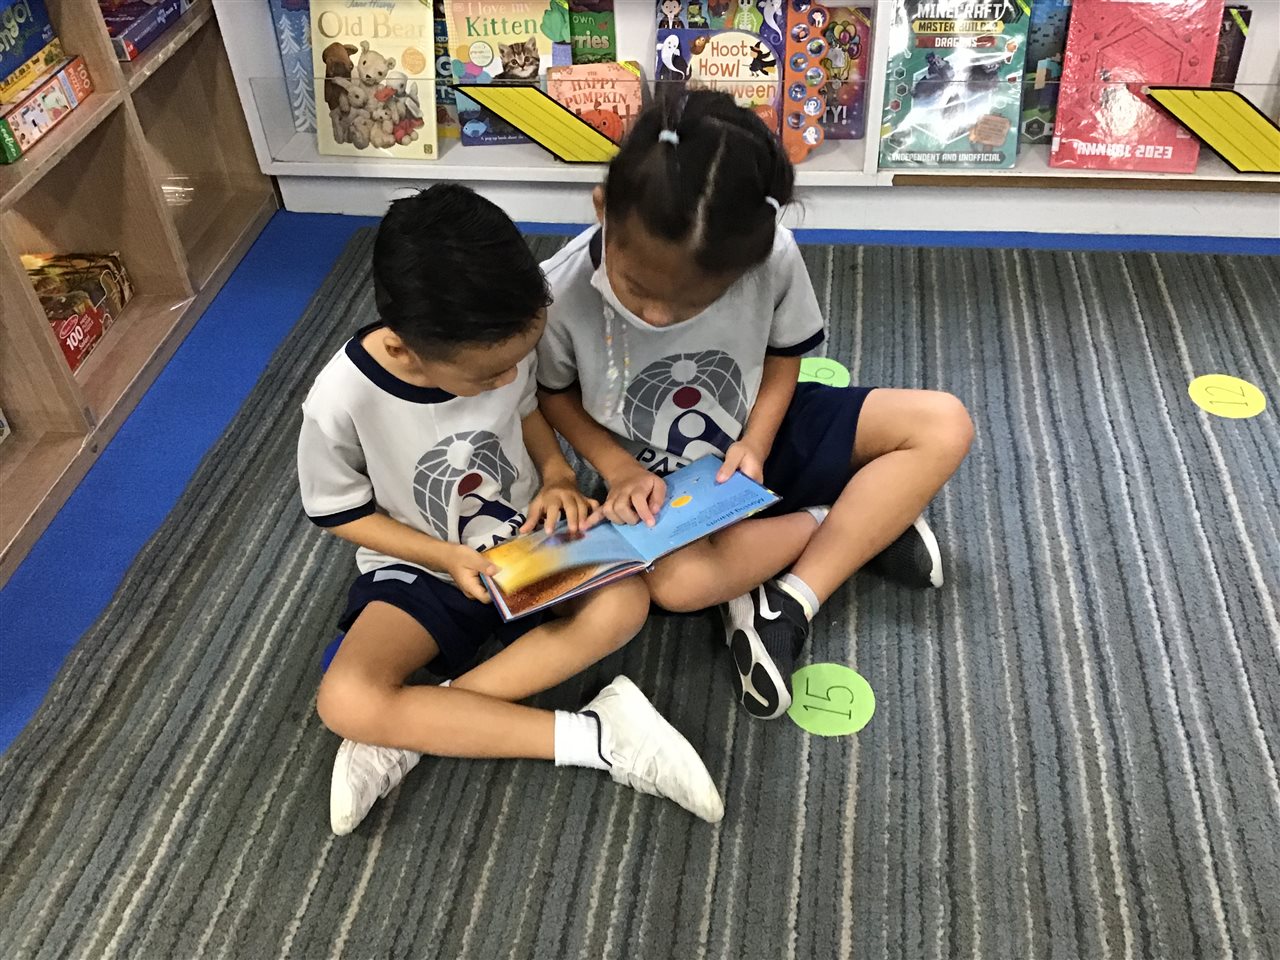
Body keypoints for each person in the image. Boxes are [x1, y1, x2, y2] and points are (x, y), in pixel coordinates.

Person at [298, 184, 723, 835]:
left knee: (624, 603)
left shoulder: (499, 343)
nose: (508, 379)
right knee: (344, 700)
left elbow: (526, 411)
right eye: (486, 377)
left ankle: (416, 726)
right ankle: (596, 737)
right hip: (423, 565)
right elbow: (337, 512)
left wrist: (557, 474)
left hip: (530, 541)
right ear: (406, 348)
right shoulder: (340, 398)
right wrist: (443, 556)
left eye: (518, 362)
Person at [537, 91, 973, 722]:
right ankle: (853, 521)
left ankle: (791, 600)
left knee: (944, 423)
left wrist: (758, 442)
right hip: (659, 480)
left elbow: (783, 356)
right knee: (675, 586)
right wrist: (618, 468)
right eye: (637, 287)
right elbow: (552, 394)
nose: (657, 315)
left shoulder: (771, 254)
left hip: (765, 427)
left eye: (692, 303)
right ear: (602, 207)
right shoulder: (558, 292)